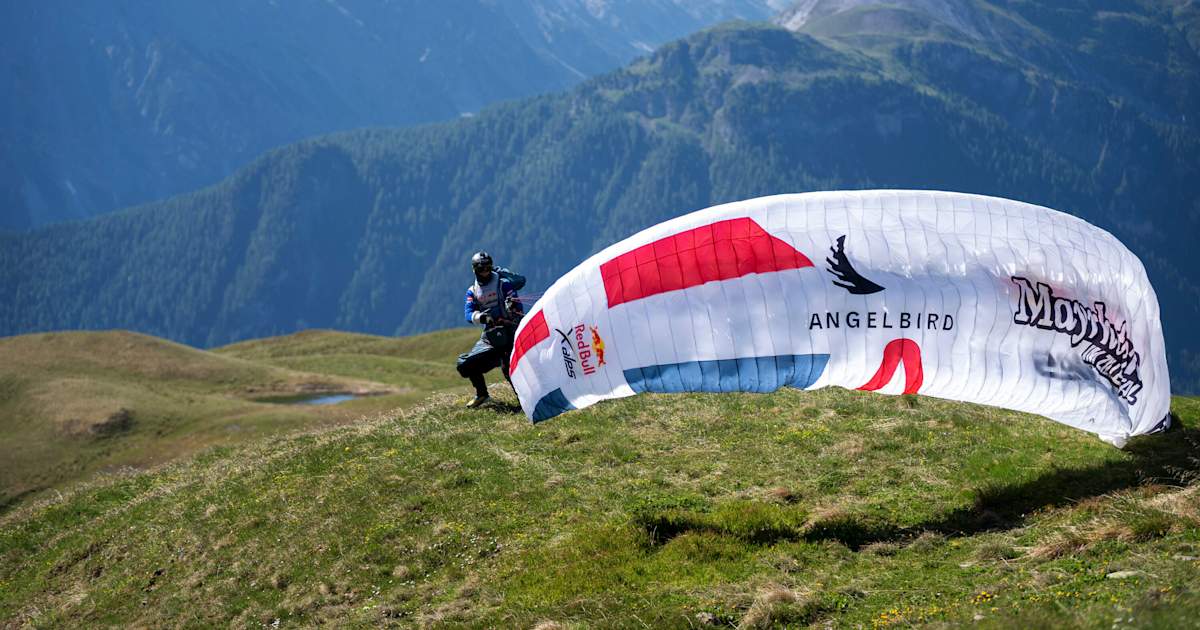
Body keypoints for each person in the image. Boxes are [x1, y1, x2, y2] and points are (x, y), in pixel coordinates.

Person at [457, 251, 526, 407]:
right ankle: (482, 395)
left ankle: (525, 400)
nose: (486, 272)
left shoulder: (503, 283)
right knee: (465, 364)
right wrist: (481, 317)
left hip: (511, 331)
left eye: (488, 268)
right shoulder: (472, 291)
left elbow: (517, 305)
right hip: (491, 336)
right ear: (475, 270)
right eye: (482, 269)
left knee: (508, 367)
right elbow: (468, 313)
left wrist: (512, 305)